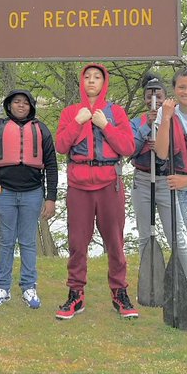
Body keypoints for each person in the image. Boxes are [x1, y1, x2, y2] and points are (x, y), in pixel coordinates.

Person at [55, 64, 137, 319]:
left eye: (97, 77)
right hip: (79, 186)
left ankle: (119, 292)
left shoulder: (116, 112)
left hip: (109, 185)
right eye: (87, 77)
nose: (91, 81)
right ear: (82, 82)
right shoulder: (70, 112)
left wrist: (105, 125)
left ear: (104, 82)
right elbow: (60, 145)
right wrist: (78, 122)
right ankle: (76, 294)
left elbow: (128, 147)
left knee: (115, 242)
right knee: (78, 243)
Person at [0, 87, 58, 309]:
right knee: (6, 241)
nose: (21, 105)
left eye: (25, 102)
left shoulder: (42, 130)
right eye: (16, 102)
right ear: (9, 105)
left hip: (32, 193)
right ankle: (3, 287)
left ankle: (29, 287)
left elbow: (51, 166)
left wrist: (51, 198)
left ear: (31, 106)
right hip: (5, 193)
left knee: (28, 242)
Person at [129, 77, 187, 299]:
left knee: (176, 235)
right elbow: (129, 149)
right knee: (145, 236)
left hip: (166, 181)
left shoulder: (175, 120)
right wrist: (147, 128)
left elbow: (179, 150)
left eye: (158, 94)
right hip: (143, 181)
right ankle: (151, 284)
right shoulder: (137, 122)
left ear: (166, 97)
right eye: (149, 95)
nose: (154, 99)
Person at [154, 66, 187, 324]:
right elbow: (162, 154)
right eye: (182, 87)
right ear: (174, 89)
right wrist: (165, 118)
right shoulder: (166, 115)